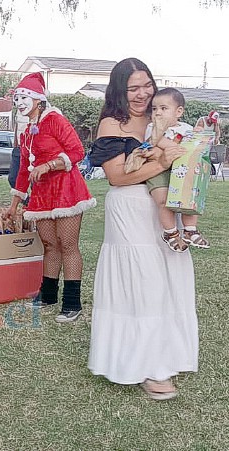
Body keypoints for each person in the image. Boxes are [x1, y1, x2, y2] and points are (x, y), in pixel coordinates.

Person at [87, 58, 197, 401]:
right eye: (133, 87)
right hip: (129, 211)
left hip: (165, 209)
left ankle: (170, 355)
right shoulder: (111, 124)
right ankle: (148, 366)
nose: (142, 93)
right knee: (143, 283)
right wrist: (161, 162)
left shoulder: (163, 115)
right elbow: (117, 177)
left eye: (146, 85)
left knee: (168, 279)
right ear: (120, 89)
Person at [6, 73, 96, 323]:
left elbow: (77, 151)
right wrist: (14, 205)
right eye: (17, 98)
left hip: (67, 190)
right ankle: (48, 295)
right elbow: (24, 169)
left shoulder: (55, 119)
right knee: (49, 244)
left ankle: (72, 302)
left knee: (67, 244)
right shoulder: (25, 131)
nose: (20, 102)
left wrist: (50, 165)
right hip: (42, 195)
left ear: (38, 99)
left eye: (24, 97)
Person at [140, 88, 209, 251]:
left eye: (164, 108)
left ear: (178, 111)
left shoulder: (185, 128)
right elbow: (159, 141)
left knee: (189, 197)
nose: (157, 113)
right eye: (154, 108)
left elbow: (196, 143)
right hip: (158, 170)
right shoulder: (152, 127)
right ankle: (170, 233)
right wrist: (183, 147)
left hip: (180, 169)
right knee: (163, 201)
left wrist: (198, 134)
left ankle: (190, 230)